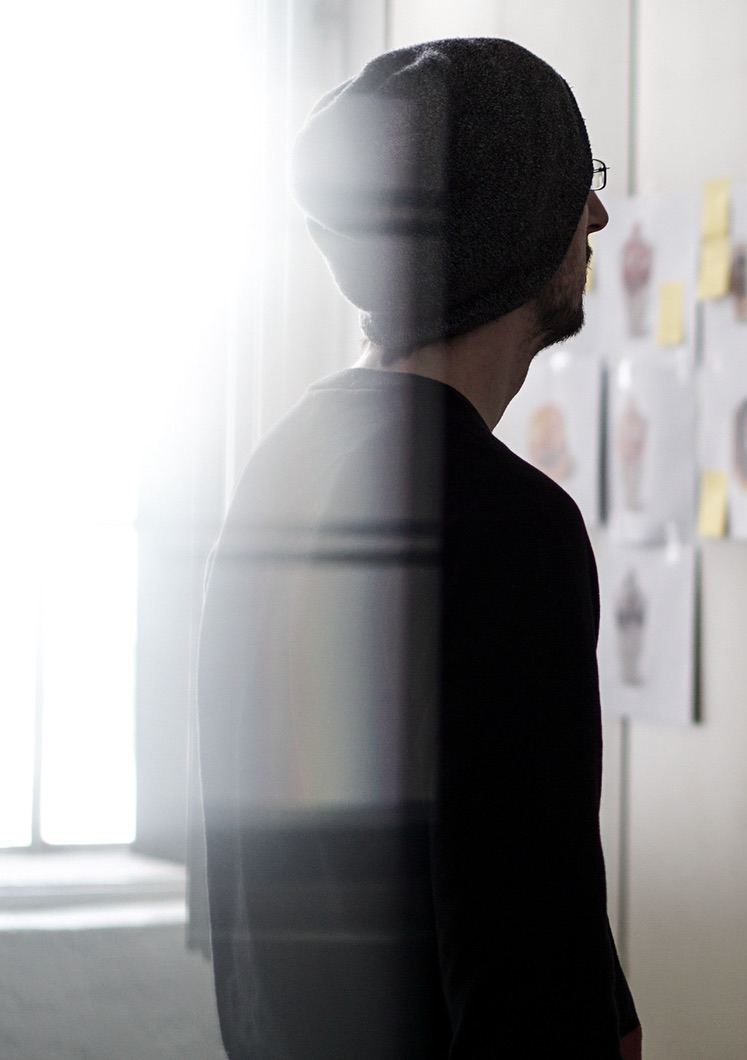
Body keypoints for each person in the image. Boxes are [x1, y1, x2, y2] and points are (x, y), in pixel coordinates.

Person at [195, 38, 641, 1058]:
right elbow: (529, 952)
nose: (600, 217)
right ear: (515, 221)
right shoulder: (500, 524)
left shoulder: (281, 469)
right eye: (580, 186)